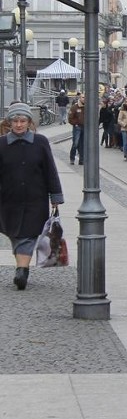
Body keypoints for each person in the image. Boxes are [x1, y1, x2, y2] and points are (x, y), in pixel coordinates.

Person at [0, 102, 64, 290]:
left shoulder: (40, 142)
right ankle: (22, 266)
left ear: (29, 122)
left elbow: (50, 170)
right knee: (14, 234)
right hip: (8, 199)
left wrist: (56, 195)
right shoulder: (1, 144)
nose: (19, 124)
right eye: (15, 121)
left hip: (35, 198)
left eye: (23, 120)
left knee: (28, 235)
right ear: (9, 122)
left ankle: (22, 270)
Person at [68, 94, 85, 165]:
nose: (84, 99)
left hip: (84, 127)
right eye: (83, 97)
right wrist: (76, 123)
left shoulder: (87, 107)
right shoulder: (74, 107)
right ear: (80, 98)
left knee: (83, 144)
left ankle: (81, 160)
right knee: (75, 143)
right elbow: (70, 118)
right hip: (77, 127)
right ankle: (72, 158)